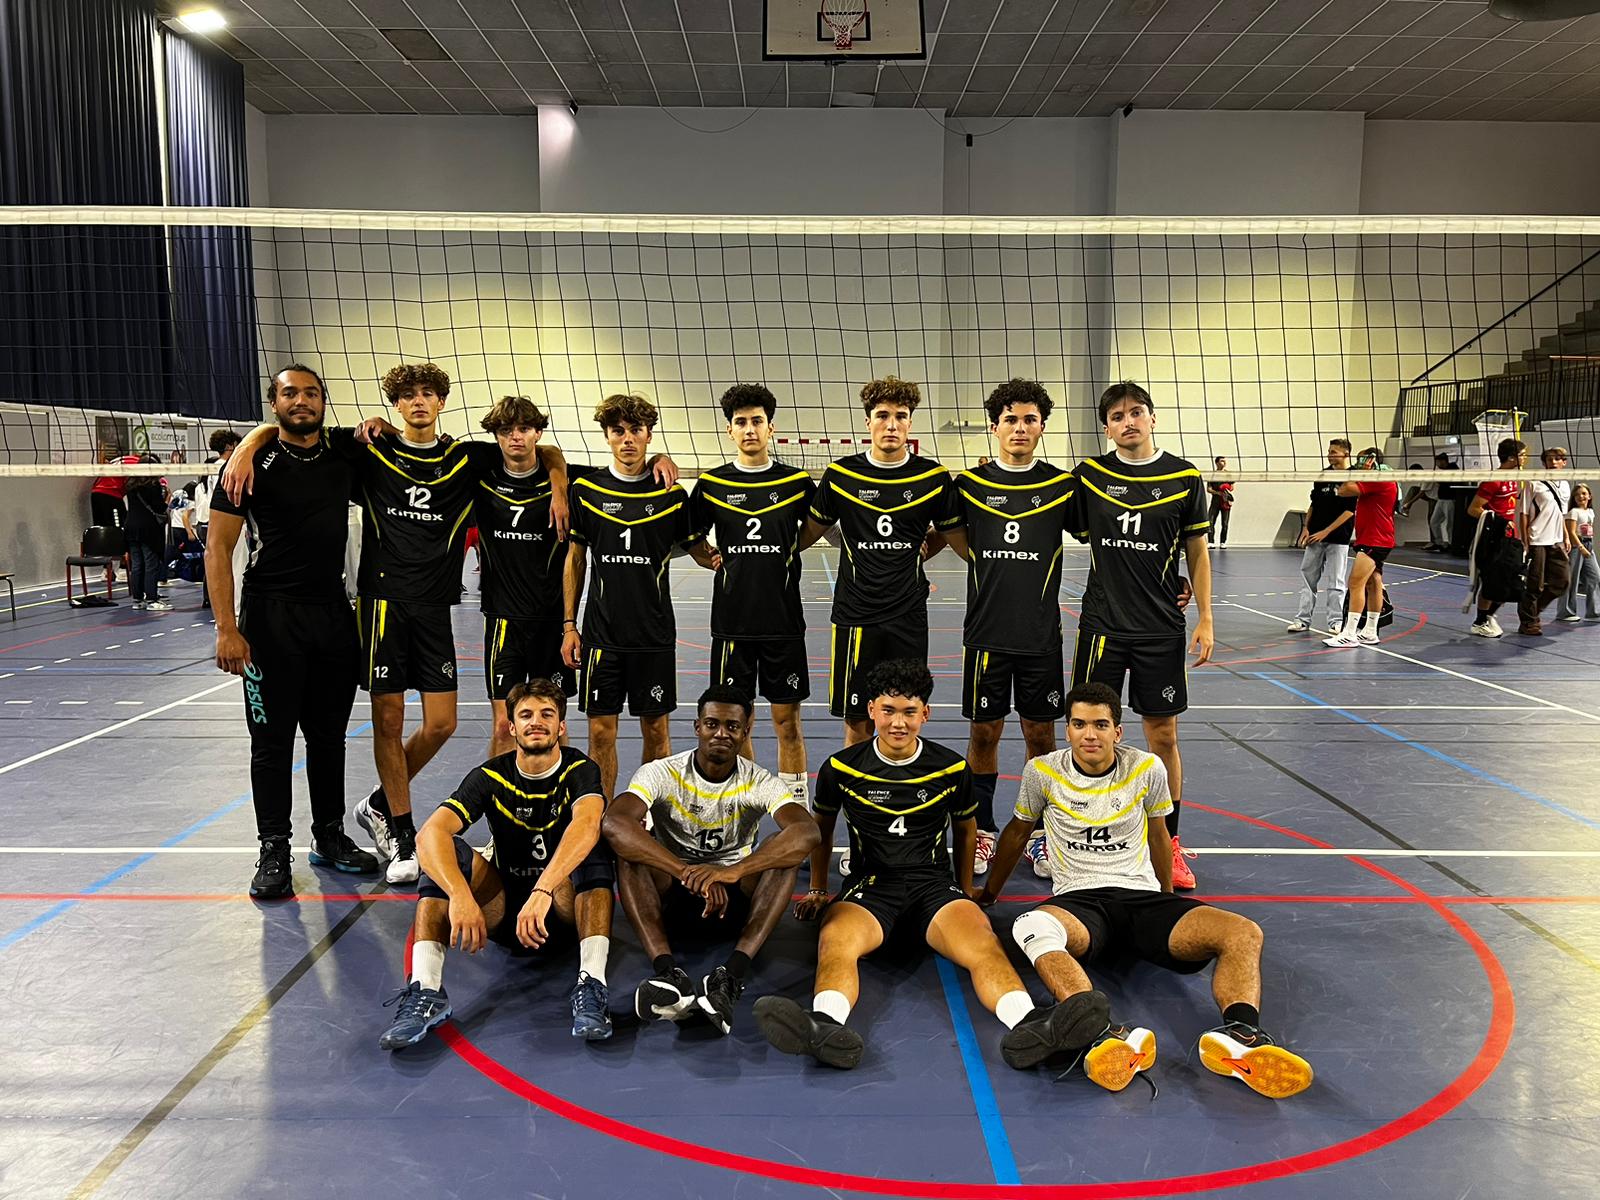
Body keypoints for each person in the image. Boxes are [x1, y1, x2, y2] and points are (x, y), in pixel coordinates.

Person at [226, 362, 566, 885]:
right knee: (387, 721)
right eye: (408, 396)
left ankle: (379, 804)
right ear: (396, 404)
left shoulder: (466, 457)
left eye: (428, 394)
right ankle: (402, 833)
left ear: (442, 402)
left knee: (442, 723)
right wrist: (250, 442)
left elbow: (541, 450)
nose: (419, 402)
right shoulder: (370, 449)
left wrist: (559, 484)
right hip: (381, 603)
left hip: (434, 607)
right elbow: (296, 430)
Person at [756, 660, 1104, 1071]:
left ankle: (1030, 1025)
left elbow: (967, 832)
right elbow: (823, 831)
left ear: (925, 713)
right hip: (871, 887)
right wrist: (818, 888)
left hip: (934, 888)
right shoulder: (841, 768)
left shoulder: (951, 768)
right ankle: (825, 1025)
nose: (898, 723)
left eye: (909, 712)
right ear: (871, 710)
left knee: (984, 944)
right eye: (888, 710)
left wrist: (966, 891)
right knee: (834, 942)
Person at [977, 683, 1313, 1099]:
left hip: (1142, 899)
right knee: (1030, 926)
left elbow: (1159, 835)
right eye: (1079, 724)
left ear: (1117, 731)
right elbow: (1016, 833)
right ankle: (1100, 1032)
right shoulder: (1042, 771)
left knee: (1242, 931)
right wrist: (989, 892)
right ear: (1067, 730)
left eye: (1100, 725)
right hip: (1079, 903)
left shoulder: (1147, 768)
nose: (1089, 734)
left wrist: (1167, 897)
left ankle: (1241, 1036)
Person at [207, 364, 379, 897]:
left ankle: (329, 836)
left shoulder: (344, 452)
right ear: (273, 402)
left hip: (332, 616)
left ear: (324, 401)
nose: (300, 401)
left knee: (329, 739)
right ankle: (273, 849)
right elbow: (217, 548)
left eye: (311, 393)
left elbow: (386, 435)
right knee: (272, 743)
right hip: (269, 620)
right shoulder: (248, 465)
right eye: (289, 393)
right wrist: (226, 628)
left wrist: (376, 423)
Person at [378, 679, 615, 1048]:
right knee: (445, 852)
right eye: (526, 715)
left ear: (561, 727)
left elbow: (586, 824)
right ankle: (427, 990)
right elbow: (429, 835)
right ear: (512, 727)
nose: (536, 722)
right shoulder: (489, 776)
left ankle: (591, 984)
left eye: (547, 714)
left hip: (565, 908)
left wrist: (543, 890)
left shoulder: (580, 770)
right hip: (504, 911)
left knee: (591, 842)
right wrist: (460, 895)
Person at [603, 686, 821, 1035]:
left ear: (745, 732)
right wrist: (686, 871)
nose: (721, 733)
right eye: (712, 724)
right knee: (629, 853)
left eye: (732, 726)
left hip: (734, 899)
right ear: (697, 727)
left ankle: (731, 976)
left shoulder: (758, 780)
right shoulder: (662, 772)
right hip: (673, 892)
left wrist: (732, 872)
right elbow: (614, 823)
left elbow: (806, 832)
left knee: (784, 854)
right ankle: (668, 973)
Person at [1068, 382, 1213, 891]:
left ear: (1152, 418)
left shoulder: (1183, 477)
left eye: (1135, 412)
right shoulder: (1089, 475)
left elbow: (1197, 549)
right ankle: (1083, 836)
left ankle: (1168, 844)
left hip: (1159, 629)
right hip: (1102, 627)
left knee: (1163, 736)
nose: (1127, 421)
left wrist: (1206, 617)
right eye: (1116, 416)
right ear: (1106, 428)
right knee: (1089, 735)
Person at [938, 379, 1074, 880]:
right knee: (983, 733)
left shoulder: (1062, 486)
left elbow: (1108, 532)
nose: (1020, 427)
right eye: (1010, 419)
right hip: (986, 635)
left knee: (1041, 736)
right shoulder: (968, 486)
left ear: (1042, 427)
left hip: (1040, 636)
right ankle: (983, 830)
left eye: (1029, 419)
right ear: (994, 427)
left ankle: (1043, 833)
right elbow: (949, 536)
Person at [801, 376, 961, 749]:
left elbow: (951, 533)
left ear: (910, 423)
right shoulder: (841, 475)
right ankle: (858, 786)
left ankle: (899, 783)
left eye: (900, 416)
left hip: (908, 615)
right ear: (867, 421)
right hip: (856, 615)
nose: (891, 425)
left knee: (904, 714)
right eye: (882, 415)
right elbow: (811, 530)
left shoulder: (933, 477)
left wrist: (925, 546)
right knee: (858, 720)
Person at [562, 392, 707, 801]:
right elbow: (576, 559)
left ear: (648, 435)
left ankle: (648, 816)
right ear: (607, 436)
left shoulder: (672, 495)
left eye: (635, 430)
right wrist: (569, 625)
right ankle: (601, 815)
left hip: (653, 636)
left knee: (657, 731)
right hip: (602, 636)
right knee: (600, 733)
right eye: (618, 431)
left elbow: (698, 548)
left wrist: (727, 557)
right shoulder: (585, 490)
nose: (627, 439)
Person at [687, 384, 818, 812]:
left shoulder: (796, 482)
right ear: (729, 430)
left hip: (783, 623)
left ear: (770, 428)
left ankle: (795, 809)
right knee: (731, 724)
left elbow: (823, 528)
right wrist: (707, 556)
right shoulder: (712, 484)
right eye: (740, 422)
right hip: (732, 625)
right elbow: (688, 534)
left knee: (787, 722)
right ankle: (742, 808)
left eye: (757, 421)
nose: (749, 429)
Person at [474, 395, 576, 757]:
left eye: (524, 428)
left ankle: (561, 792)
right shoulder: (481, 477)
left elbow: (622, 471)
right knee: (505, 726)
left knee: (553, 722)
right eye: (505, 430)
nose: (515, 436)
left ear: (538, 433)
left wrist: (659, 459)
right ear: (496, 436)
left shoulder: (571, 482)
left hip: (551, 621)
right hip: (504, 621)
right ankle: (501, 794)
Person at [1324, 448, 1399, 648]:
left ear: (1371, 461)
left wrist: (1355, 472)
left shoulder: (1378, 478)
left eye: (1361, 460)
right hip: (1374, 538)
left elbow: (1344, 490)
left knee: (1355, 583)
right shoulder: (1379, 478)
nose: (1358, 463)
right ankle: (1370, 631)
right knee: (1373, 583)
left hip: (1375, 539)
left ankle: (1349, 633)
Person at [1287, 438, 1355, 634]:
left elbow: (1349, 511)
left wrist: (1326, 531)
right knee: (1308, 579)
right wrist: (1306, 527)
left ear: (1346, 454)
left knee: (1337, 582)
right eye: (1329, 451)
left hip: (1338, 538)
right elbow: (1314, 505)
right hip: (1314, 537)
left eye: (1334, 452)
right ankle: (1302, 620)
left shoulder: (1353, 476)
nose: (1329, 454)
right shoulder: (1323, 475)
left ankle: (1335, 622)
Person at [1466, 438, 1527, 638]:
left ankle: (1489, 615)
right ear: (1511, 458)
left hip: (1512, 538)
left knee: (1510, 581)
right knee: (1492, 581)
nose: (1525, 458)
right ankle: (1480, 621)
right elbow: (1473, 509)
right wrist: (1500, 522)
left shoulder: (1516, 478)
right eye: (1522, 455)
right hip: (1494, 539)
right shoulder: (1494, 480)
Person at [1516, 446, 1574, 637]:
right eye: (1549, 459)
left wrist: (1566, 536)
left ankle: (1532, 611)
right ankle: (1528, 622)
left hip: (1556, 540)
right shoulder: (1534, 482)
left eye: (1557, 459)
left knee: (1562, 581)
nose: (1553, 462)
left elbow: (1561, 514)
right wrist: (1525, 540)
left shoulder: (1565, 485)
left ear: (1564, 462)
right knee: (1535, 584)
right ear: (1544, 463)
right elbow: (1524, 513)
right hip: (1537, 539)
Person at [123, 455, 172, 612]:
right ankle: (152, 599)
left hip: (131, 527)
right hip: (148, 529)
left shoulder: (130, 484)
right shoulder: (153, 485)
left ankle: (137, 599)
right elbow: (159, 508)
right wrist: (167, 500)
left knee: (137, 565)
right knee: (151, 564)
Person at [1556, 483, 1599, 622]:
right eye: (1577, 494)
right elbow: (1571, 532)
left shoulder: (1590, 512)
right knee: (1572, 579)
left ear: (1589, 496)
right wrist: (1581, 547)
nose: (1581, 496)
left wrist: (1589, 546)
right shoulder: (1573, 512)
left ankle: (1594, 612)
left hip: (1588, 544)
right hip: (1577, 546)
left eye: (1584, 493)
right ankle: (1565, 612)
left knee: (1595, 577)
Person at [1207, 456, 1234, 546]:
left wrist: (1226, 489)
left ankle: (1223, 542)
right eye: (1222, 461)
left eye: (1225, 461)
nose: (1224, 463)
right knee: (1210, 521)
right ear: (1217, 463)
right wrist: (1218, 493)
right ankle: (1211, 542)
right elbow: (1209, 489)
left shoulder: (1228, 474)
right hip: (1215, 501)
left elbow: (1232, 487)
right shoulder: (1212, 475)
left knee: (1225, 523)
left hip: (1225, 501)